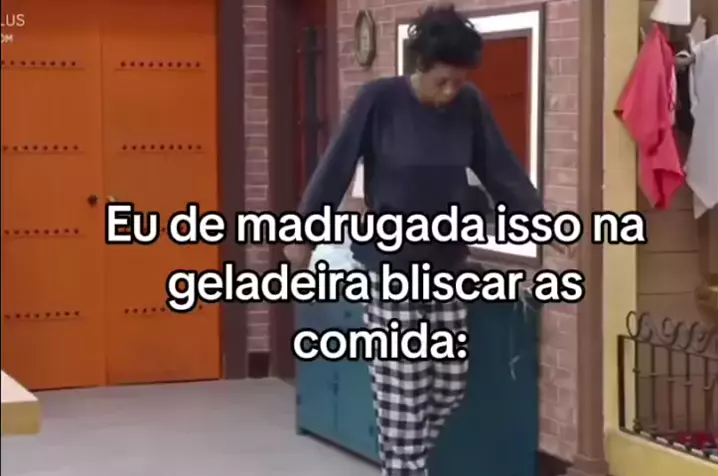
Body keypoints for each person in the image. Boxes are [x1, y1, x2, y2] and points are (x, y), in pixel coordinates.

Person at [285, 5, 551, 475]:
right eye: (442, 81)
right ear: (420, 67)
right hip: (390, 270)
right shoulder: (379, 101)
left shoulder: (470, 106)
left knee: (449, 385)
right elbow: (337, 165)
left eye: (459, 82)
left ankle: (404, 460)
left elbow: (502, 169)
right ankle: (406, 465)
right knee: (403, 395)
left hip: (446, 268)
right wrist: (304, 231)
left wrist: (543, 224)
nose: (450, 92)